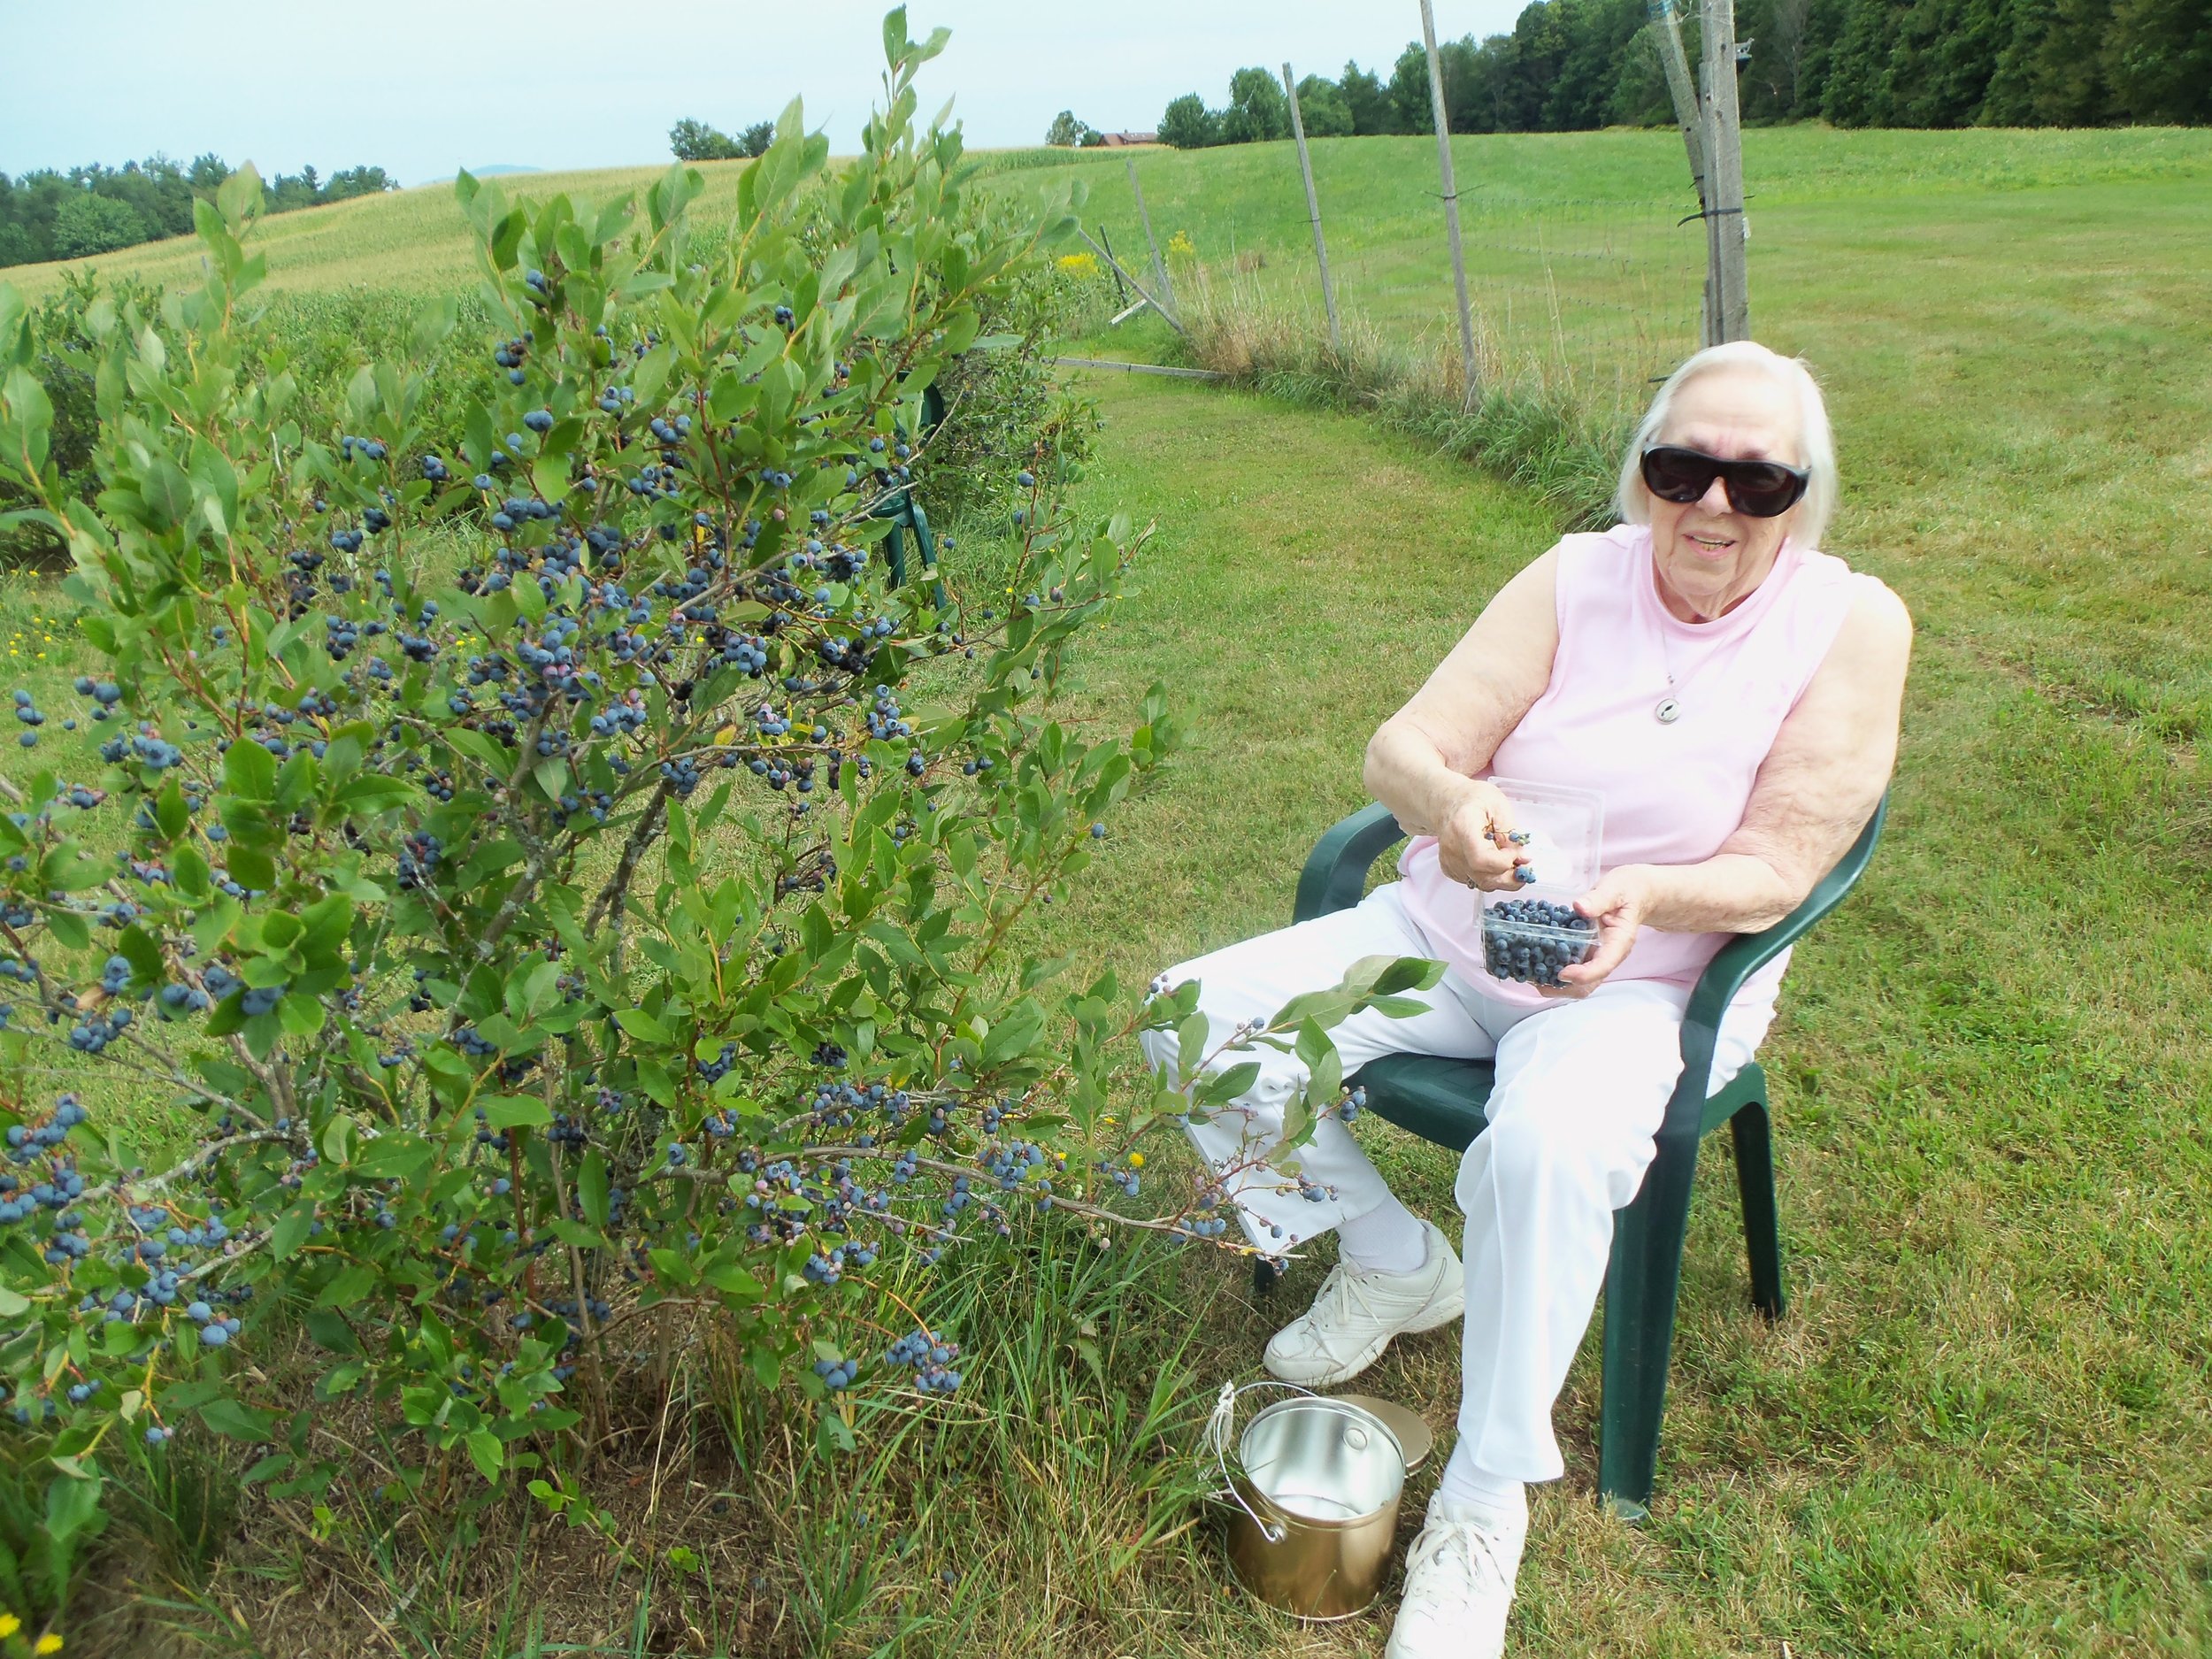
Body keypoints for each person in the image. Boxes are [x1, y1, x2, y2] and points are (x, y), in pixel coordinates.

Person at [1138, 341, 1911, 1659]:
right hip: (1447, 933)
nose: (1713, 506)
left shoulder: (1851, 623)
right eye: (1683, 468)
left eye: (1758, 482)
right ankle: (1393, 1260)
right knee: (1186, 1018)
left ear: (1803, 496)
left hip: (1640, 982)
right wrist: (1451, 809)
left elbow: (1785, 862)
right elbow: (1404, 748)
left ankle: (1486, 1502)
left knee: (1544, 1152)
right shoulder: (1573, 572)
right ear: (1644, 474)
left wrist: (1651, 900)